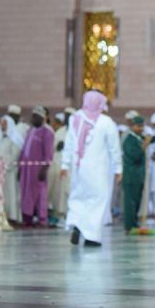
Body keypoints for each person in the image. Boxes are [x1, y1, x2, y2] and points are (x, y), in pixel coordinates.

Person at [62, 91, 122, 247]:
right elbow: (114, 148)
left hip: (78, 169)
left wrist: (64, 165)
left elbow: (68, 145)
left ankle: (76, 225)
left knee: (78, 197)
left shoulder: (75, 118)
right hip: (97, 170)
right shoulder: (106, 122)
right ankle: (92, 237)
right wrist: (118, 169)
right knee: (97, 199)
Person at [18, 106, 55, 227]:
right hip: (26, 169)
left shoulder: (47, 132)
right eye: (32, 116)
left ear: (42, 118)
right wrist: (20, 167)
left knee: (40, 194)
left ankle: (42, 219)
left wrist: (44, 168)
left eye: (35, 117)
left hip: (38, 169)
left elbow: (48, 153)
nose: (32, 119)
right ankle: (27, 218)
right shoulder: (30, 130)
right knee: (26, 193)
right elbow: (24, 150)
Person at [0, 115, 23, 224]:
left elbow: (14, 155)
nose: (2, 126)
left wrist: (2, 165)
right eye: (1, 123)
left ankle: (11, 217)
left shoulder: (14, 139)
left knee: (10, 194)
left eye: (5, 124)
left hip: (9, 173)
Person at [122, 116, 149, 232]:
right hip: (131, 176)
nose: (141, 128)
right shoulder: (129, 140)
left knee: (137, 200)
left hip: (139, 175)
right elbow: (135, 156)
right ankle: (129, 226)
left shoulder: (138, 138)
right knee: (130, 202)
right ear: (132, 126)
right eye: (138, 126)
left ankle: (134, 223)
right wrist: (144, 145)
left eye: (142, 126)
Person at [48, 111, 70, 221]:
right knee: (59, 192)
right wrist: (58, 146)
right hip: (59, 166)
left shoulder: (78, 131)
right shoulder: (60, 132)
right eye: (66, 117)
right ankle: (59, 215)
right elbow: (52, 148)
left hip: (72, 169)